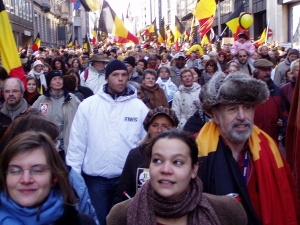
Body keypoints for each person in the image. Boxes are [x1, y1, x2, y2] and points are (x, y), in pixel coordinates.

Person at [197, 72, 299, 224]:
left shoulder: (269, 148)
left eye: (247, 108)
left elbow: (286, 201)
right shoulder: (193, 150)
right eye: (232, 109)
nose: (242, 116)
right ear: (216, 116)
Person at [66, 59, 149, 225]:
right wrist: (73, 175)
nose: (120, 78)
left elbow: (146, 145)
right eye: (115, 75)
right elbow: (77, 143)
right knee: (98, 221)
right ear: (106, 78)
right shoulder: (88, 106)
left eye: (124, 74)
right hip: (96, 181)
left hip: (126, 180)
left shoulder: (139, 108)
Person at [107, 129, 247, 225]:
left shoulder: (227, 212)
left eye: (177, 162)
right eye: (158, 160)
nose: (166, 170)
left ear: (194, 169)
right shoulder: (121, 216)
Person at [0, 131, 96, 225]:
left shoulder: (81, 222)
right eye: (15, 171)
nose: (26, 179)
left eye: (37, 170)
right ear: (5, 177)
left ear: (53, 178)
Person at [114, 106, 179, 204]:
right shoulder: (135, 155)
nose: (159, 130)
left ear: (173, 129)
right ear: (148, 128)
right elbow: (122, 191)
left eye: (165, 126)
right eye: (155, 125)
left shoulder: (180, 156)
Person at [32, 70, 81, 158]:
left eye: (60, 78)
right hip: (47, 145)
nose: (58, 81)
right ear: (49, 83)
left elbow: (82, 117)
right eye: (54, 79)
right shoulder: (42, 99)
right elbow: (32, 118)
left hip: (67, 145)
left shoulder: (71, 98)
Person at [252, 59, 288, 143]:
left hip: (272, 135)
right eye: (264, 70)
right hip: (253, 135)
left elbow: (283, 112)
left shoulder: (276, 90)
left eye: (269, 70)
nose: (268, 73)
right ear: (256, 72)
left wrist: (282, 130)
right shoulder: (248, 89)